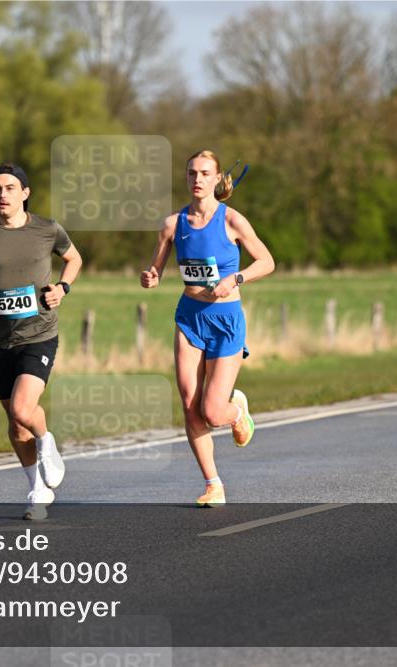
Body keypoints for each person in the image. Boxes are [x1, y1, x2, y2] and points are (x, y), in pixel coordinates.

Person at [140, 150, 275, 507]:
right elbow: (155, 270)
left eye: (204, 173)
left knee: (213, 412)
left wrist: (237, 278)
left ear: (217, 179)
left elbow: (267, 261)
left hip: (226, 319)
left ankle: (236, 411)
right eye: (191, 173)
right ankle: (213, 483)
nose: (197, 179)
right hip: (189, 317)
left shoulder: (232, 221)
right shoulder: (173, 225)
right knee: (189, 403)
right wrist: (151, 276)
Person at [0, 162, 82, 520]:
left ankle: (47, 442)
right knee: (13, 423)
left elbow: (74, 258)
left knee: (25, 411)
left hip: (38, 335)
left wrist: (62, 289)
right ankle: (37, 488)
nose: (2, 194)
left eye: (9, 188)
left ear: (25, 193)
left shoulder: (46, 229)